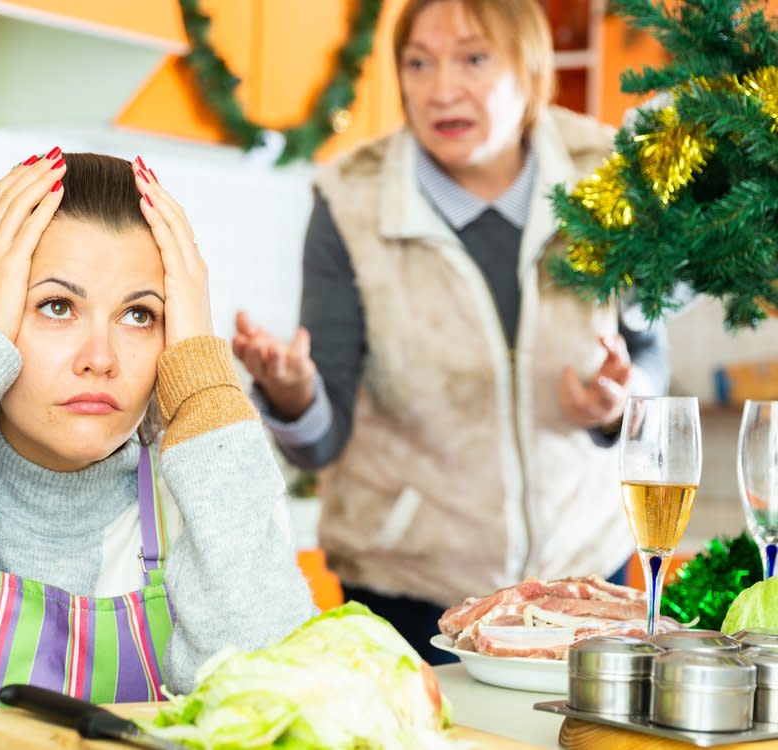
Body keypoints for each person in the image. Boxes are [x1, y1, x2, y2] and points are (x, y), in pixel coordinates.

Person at [232, 0, 669, 664]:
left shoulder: (604, 173)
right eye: (418, 62)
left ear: (528, 68)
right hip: (410, 595)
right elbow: (323, 441)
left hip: (584, 581)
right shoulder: (351, 199)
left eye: (472, 57)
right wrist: (294, 396)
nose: (441, 89)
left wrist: (620, 403)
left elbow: (648, 351)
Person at [0, 150, 315, 701]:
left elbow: (276, 705)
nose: (100, 357)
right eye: (57, 306)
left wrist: (205, 381)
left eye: (140, 315)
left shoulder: (207, 498)